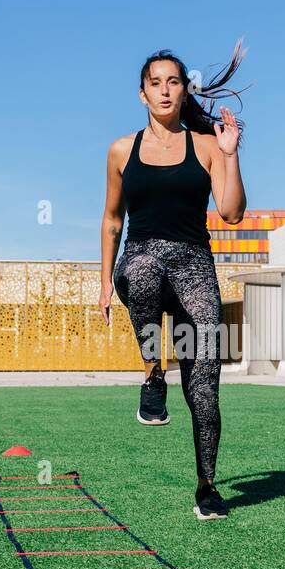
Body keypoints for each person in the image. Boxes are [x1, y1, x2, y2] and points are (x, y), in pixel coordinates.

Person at [99, 43, 248, 520]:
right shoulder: (122, 150)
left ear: (185, 92)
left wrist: (230, 154)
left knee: (204, 387)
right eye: (155, 83)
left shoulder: (206, 147)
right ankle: (152, 373)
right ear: (141, 94)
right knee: (140, 271)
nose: (165, 90)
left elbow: (231, 212)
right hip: (142, 258)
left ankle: (207, 486)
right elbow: (111, 221)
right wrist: (105, 283)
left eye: (174, 82)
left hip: (193, 269)